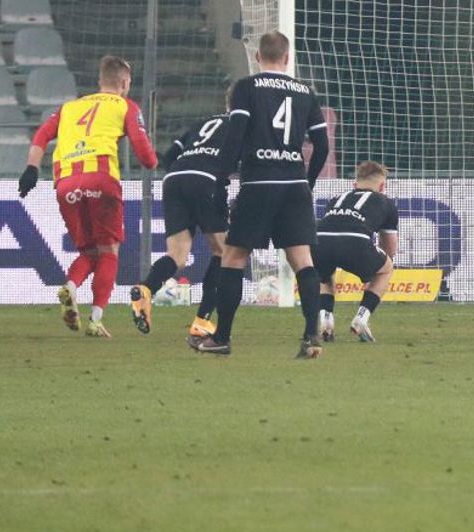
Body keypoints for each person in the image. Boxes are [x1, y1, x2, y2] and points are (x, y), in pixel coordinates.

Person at [192, 32, 329, 358]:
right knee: (303, 261)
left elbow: (236, 135)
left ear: (257, 57)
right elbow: (322, 146)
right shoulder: (306, 92)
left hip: (258, 184)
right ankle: (311, 337)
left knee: (233, 257)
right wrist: (307, 183)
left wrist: (221, 179)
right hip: (294, 186)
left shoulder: (247, 87)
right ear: (287, 58)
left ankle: (222, 337)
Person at [18, 55, 158, 338]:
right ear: (124, 83)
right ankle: (95, 319)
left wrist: (31, 169)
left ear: (99, 81)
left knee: (89, 253)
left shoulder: (69, 107)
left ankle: (70, 287)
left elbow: (41, 136)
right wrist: (156, 161)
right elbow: (144, 154)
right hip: (101, 180)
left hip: (66, 184)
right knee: (109, 251)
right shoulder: (126, 106)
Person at [127, 98, 233, 341]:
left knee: (177, 255)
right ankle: (202, 320)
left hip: (174, 179)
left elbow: (169, 156)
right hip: (206, 179)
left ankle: (146, 288)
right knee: (225, 252)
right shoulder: (244, 124)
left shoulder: (203, 123)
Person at [314, 161, 399, 343]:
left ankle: (326, 319)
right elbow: (390, 247)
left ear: (355, 185)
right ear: (382, 187)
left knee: (324, 277)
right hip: (356, 243)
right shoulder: (385, 202)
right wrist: (376, 270)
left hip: (319, 241)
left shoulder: (336, 199)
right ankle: (362, 317)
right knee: (386, 269)